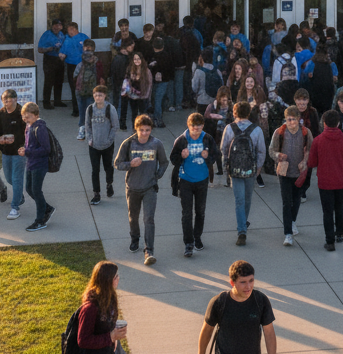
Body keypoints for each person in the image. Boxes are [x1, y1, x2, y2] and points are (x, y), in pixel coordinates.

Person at [114, 114, 168, 266]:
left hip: (149, 187)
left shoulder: (156, 144)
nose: (144, 133)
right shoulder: (129, 143)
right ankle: (134, 238)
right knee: (133, 217)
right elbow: (117, 163)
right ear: (136, 129)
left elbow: (164, 162)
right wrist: (130, 164)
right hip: (132, 188)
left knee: (149, 219)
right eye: (142, 130)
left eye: (148, 130)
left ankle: (149, 250)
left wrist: (157, 175)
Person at [169, 112, 219, 257]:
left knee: (200, 211)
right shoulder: (182, 140)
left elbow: (215, 156)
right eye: (193, 126)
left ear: (202, 126)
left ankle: (197, 237)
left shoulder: (208, 139)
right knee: (186, 213)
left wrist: (207, 157)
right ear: (188, 125)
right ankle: (188, 242)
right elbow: (173, 158)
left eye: (198, 126)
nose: (195, 128)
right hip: (185, 180)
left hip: (202, 180)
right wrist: (181, 156)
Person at [308, 109, 343, 251]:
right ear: (339, 123)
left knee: (327, 211)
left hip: (325, 181)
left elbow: (312, 163)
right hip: (342, 180)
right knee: (340, 206)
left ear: (324, 123)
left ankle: (329, 241)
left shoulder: (318, 141)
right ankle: (340, 233)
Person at [220, 101, 267, 247]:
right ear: (248, 113)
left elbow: (223, 149)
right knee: (247, 199)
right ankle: (243, 223)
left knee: (238, 200)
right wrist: (258, 168)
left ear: (234, 113)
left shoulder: (229, 128)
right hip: (250, 169)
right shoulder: (256, 130)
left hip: (235, 169)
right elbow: (261, 151)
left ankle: (242, 231)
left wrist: (225, 167)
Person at [268, 106, 312, 246]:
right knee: (286, 202)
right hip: (284, 172)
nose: (291, 122)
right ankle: (288, 233)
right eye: (288, 119)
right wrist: (278, 155)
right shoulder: (279, 132)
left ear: (299, 119)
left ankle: (292, 221)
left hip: (299, 172)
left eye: (293, 119)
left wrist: (305, 161)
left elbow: (311, 150)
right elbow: (271, 150)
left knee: (296, 199)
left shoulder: (305, 133)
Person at [19, 102, 53, 231]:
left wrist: (28, 152)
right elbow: (31, 145)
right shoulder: (29, 126)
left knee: (37, 190)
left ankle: (40, 221)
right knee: (29, 189)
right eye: (23, 116)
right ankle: (47, 208)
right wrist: (25, 149)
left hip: (40, 164)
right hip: (31, 163)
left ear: (36, 115)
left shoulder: (40, 128)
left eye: (28, 116)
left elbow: (46, 149)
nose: (25, 119)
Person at [85, 85, 117, 206]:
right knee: (95, 169)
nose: (98, 97)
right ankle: (96, 193)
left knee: (108, 166)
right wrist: (90, 139)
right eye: (96, 95)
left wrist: (109, 140)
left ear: (105, 96)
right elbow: (87, 125)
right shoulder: (90, 109)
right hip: (94, 145)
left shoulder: (110, 109)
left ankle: (109, 184)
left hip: (107, 145)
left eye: (100, 95)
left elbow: (115, 126)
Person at [0, 88, 26, 220]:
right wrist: (0, 140)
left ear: (15, 99)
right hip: (6, 152)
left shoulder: (21, 113)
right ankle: (19, 194)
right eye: (4, 100)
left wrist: (25, 147)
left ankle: (15, 207)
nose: (5, 103)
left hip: (19, 152)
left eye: (7, 100)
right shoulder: (1, 113)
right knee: (9, 178)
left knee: (16, 178)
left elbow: (28, 132)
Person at [73, 40, 104, 139]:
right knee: (86, 111)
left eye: (89, 47)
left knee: (87, 111)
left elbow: (75, 75)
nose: (87, 50)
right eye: (86, 47)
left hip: (89, 90)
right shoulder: (96, 62)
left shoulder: (83, 62)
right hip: (83, 90)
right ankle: (86, 130)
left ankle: (84, 130)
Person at [60, 22, 88, 118]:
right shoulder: (66, 38)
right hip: (71, 65)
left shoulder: (83, 37)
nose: (68, 32)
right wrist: (61, 55)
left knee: (83, 87)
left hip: (82, 65)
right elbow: (62, 51)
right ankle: (76, 109)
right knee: (73, 87)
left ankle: (85, 109)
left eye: (69, 30)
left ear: (74, 29)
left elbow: (89, 50)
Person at [37, 18, 65, 109]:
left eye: (59, 25)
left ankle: (57, 101)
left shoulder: (62, 35)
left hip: (59, 59)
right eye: (55, 25)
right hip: (49, 59)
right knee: (49, 81)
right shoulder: (46, 35)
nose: (57, 27)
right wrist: (48, 49)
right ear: (52, 26)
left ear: (61, 27)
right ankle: (46, 103)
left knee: (59, 81)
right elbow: (39, 49)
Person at [122, 51, 153, 130]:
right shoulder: (130, 69)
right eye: (135, 59)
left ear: (142, 59)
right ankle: (135, 129)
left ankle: (143, 129)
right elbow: (126, 82)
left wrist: (147, 95)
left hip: (143, 96)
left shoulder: (146, 71)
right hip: (132, 96)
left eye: (138, 59)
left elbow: (149, 84)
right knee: (134, 113)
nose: (137, 61)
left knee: (143, 114)